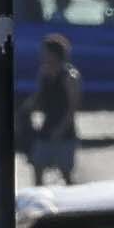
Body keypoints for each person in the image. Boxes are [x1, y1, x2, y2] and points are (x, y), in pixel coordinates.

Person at [26, 32, 82, 185]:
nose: (43, 56)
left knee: (65, 172)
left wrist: (61, 128)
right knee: (38, 165)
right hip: (47, 125)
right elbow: (40, 96)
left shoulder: (70, 76)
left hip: (65, 129)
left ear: (55, 54)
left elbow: (72, 106)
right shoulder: (43, 73)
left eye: (46, 53)